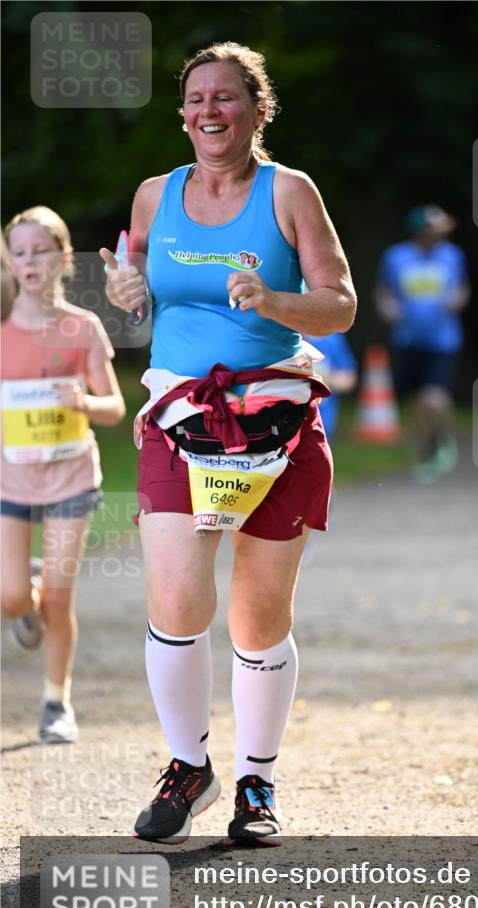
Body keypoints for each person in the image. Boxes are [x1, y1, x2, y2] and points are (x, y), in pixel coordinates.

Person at [100, 42, 356, 846]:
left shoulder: (290, 193)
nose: (208, 111)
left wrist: (278, 301)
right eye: (195, 100)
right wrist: (124, 295)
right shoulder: (154, 196)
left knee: (257, 616)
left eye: (226, 98)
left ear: (257, 109)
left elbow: (340, 304)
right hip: (181, 419)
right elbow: (138, 296)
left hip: (277, 425)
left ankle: (256, 784)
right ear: (183, 115)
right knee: (175, 601)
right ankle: (188, 766)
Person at [1, 206, 125, 742]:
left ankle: (57, 704)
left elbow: (116, 407)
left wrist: (83, 400)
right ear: (9, 262)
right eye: (19, 252)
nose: (29, 262)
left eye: (40, 251)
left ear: (62, 258)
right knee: (12, 599)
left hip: (72, 479)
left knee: (59, 597)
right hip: (11, 482)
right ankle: (21, 590)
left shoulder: (82, 325)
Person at [375, 205, 469, 484]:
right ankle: (429, 449)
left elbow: (463, 287)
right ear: (421, 231)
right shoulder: (395, 257)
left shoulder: (453, 256)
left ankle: (442, 440)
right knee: (417, 400)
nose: (442, 234)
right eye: (436, 229)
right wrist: (388, 308)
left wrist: (458, 301)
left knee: (433, 396)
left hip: (443, 339)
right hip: (408, 338)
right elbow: (384, 291)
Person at [304, 331, 357, 441]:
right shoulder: (285, 336)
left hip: (322, 422)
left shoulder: (332, 339)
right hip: (287, 422)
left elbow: (349, 379)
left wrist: (325, 378)